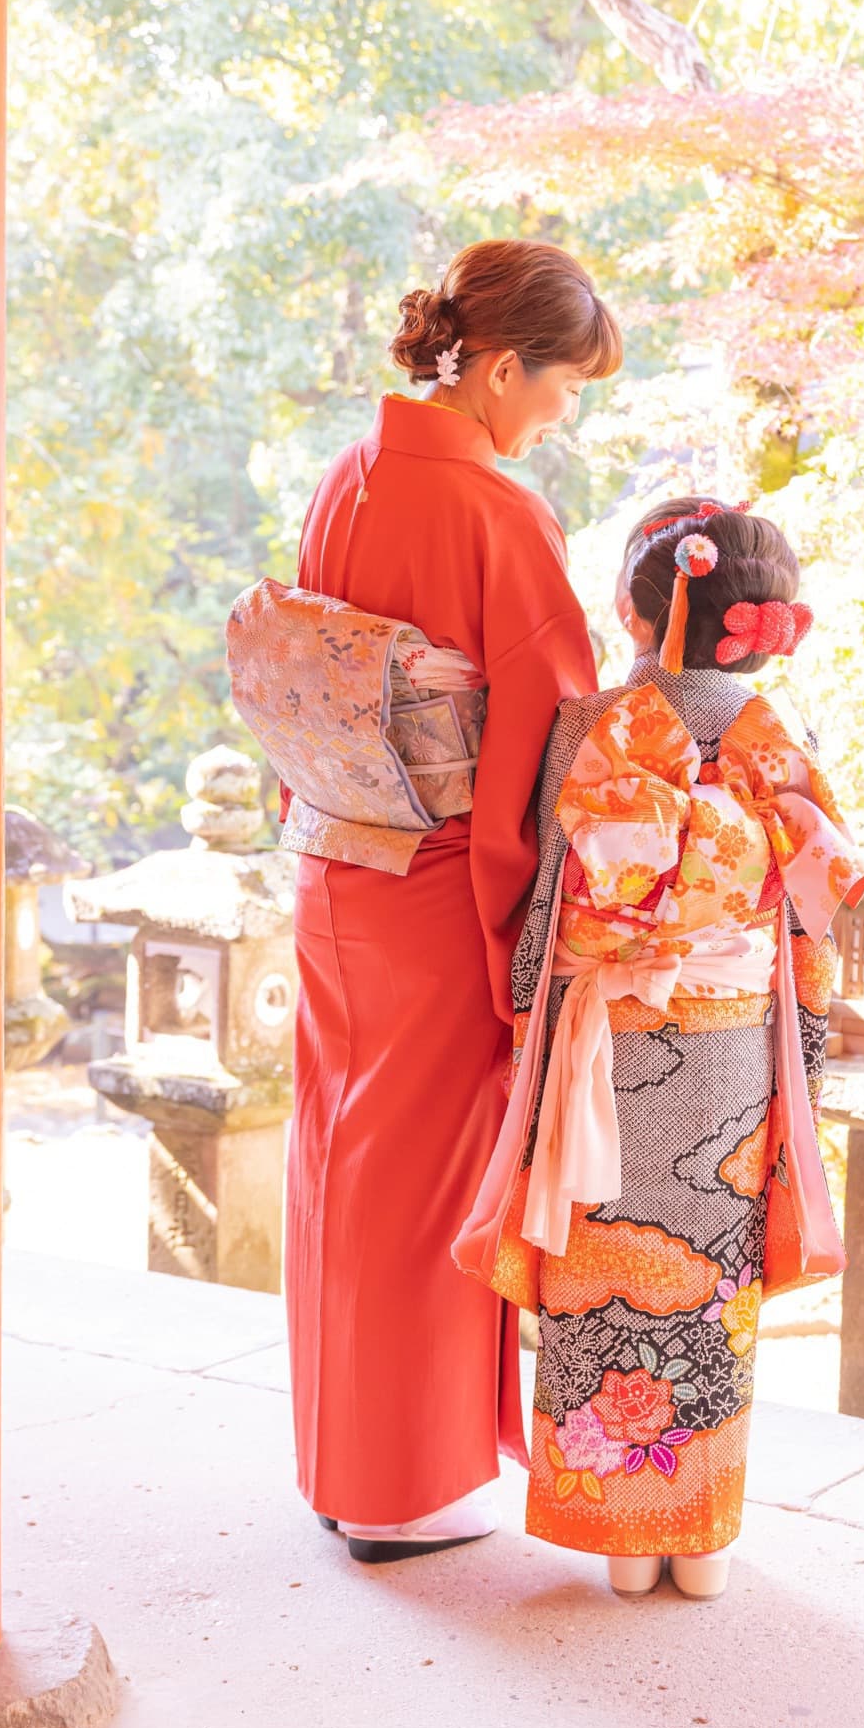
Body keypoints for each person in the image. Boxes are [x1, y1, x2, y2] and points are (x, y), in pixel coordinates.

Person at [455, 496, 864, 1600]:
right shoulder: (781, 736)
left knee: (603, 1273)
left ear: (639, 612)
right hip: (732, 1055)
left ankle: (622, 1542)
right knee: (712, 1288)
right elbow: (808, 925)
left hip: (607, 1045)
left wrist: (526, 1022)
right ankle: (703, 1536)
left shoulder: (589, 724)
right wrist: (803, 1057)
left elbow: (551, 900)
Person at [282, 240, 622, 1562]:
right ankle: (396, 1488)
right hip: (432, 889)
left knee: (339, 1156)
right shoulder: (495, 512)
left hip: (336, 867)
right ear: (498, 367)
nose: (562, 414)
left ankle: (338, 1463)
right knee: (416, 1182)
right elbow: (554, 734)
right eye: (562, 388)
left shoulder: (350, 472)